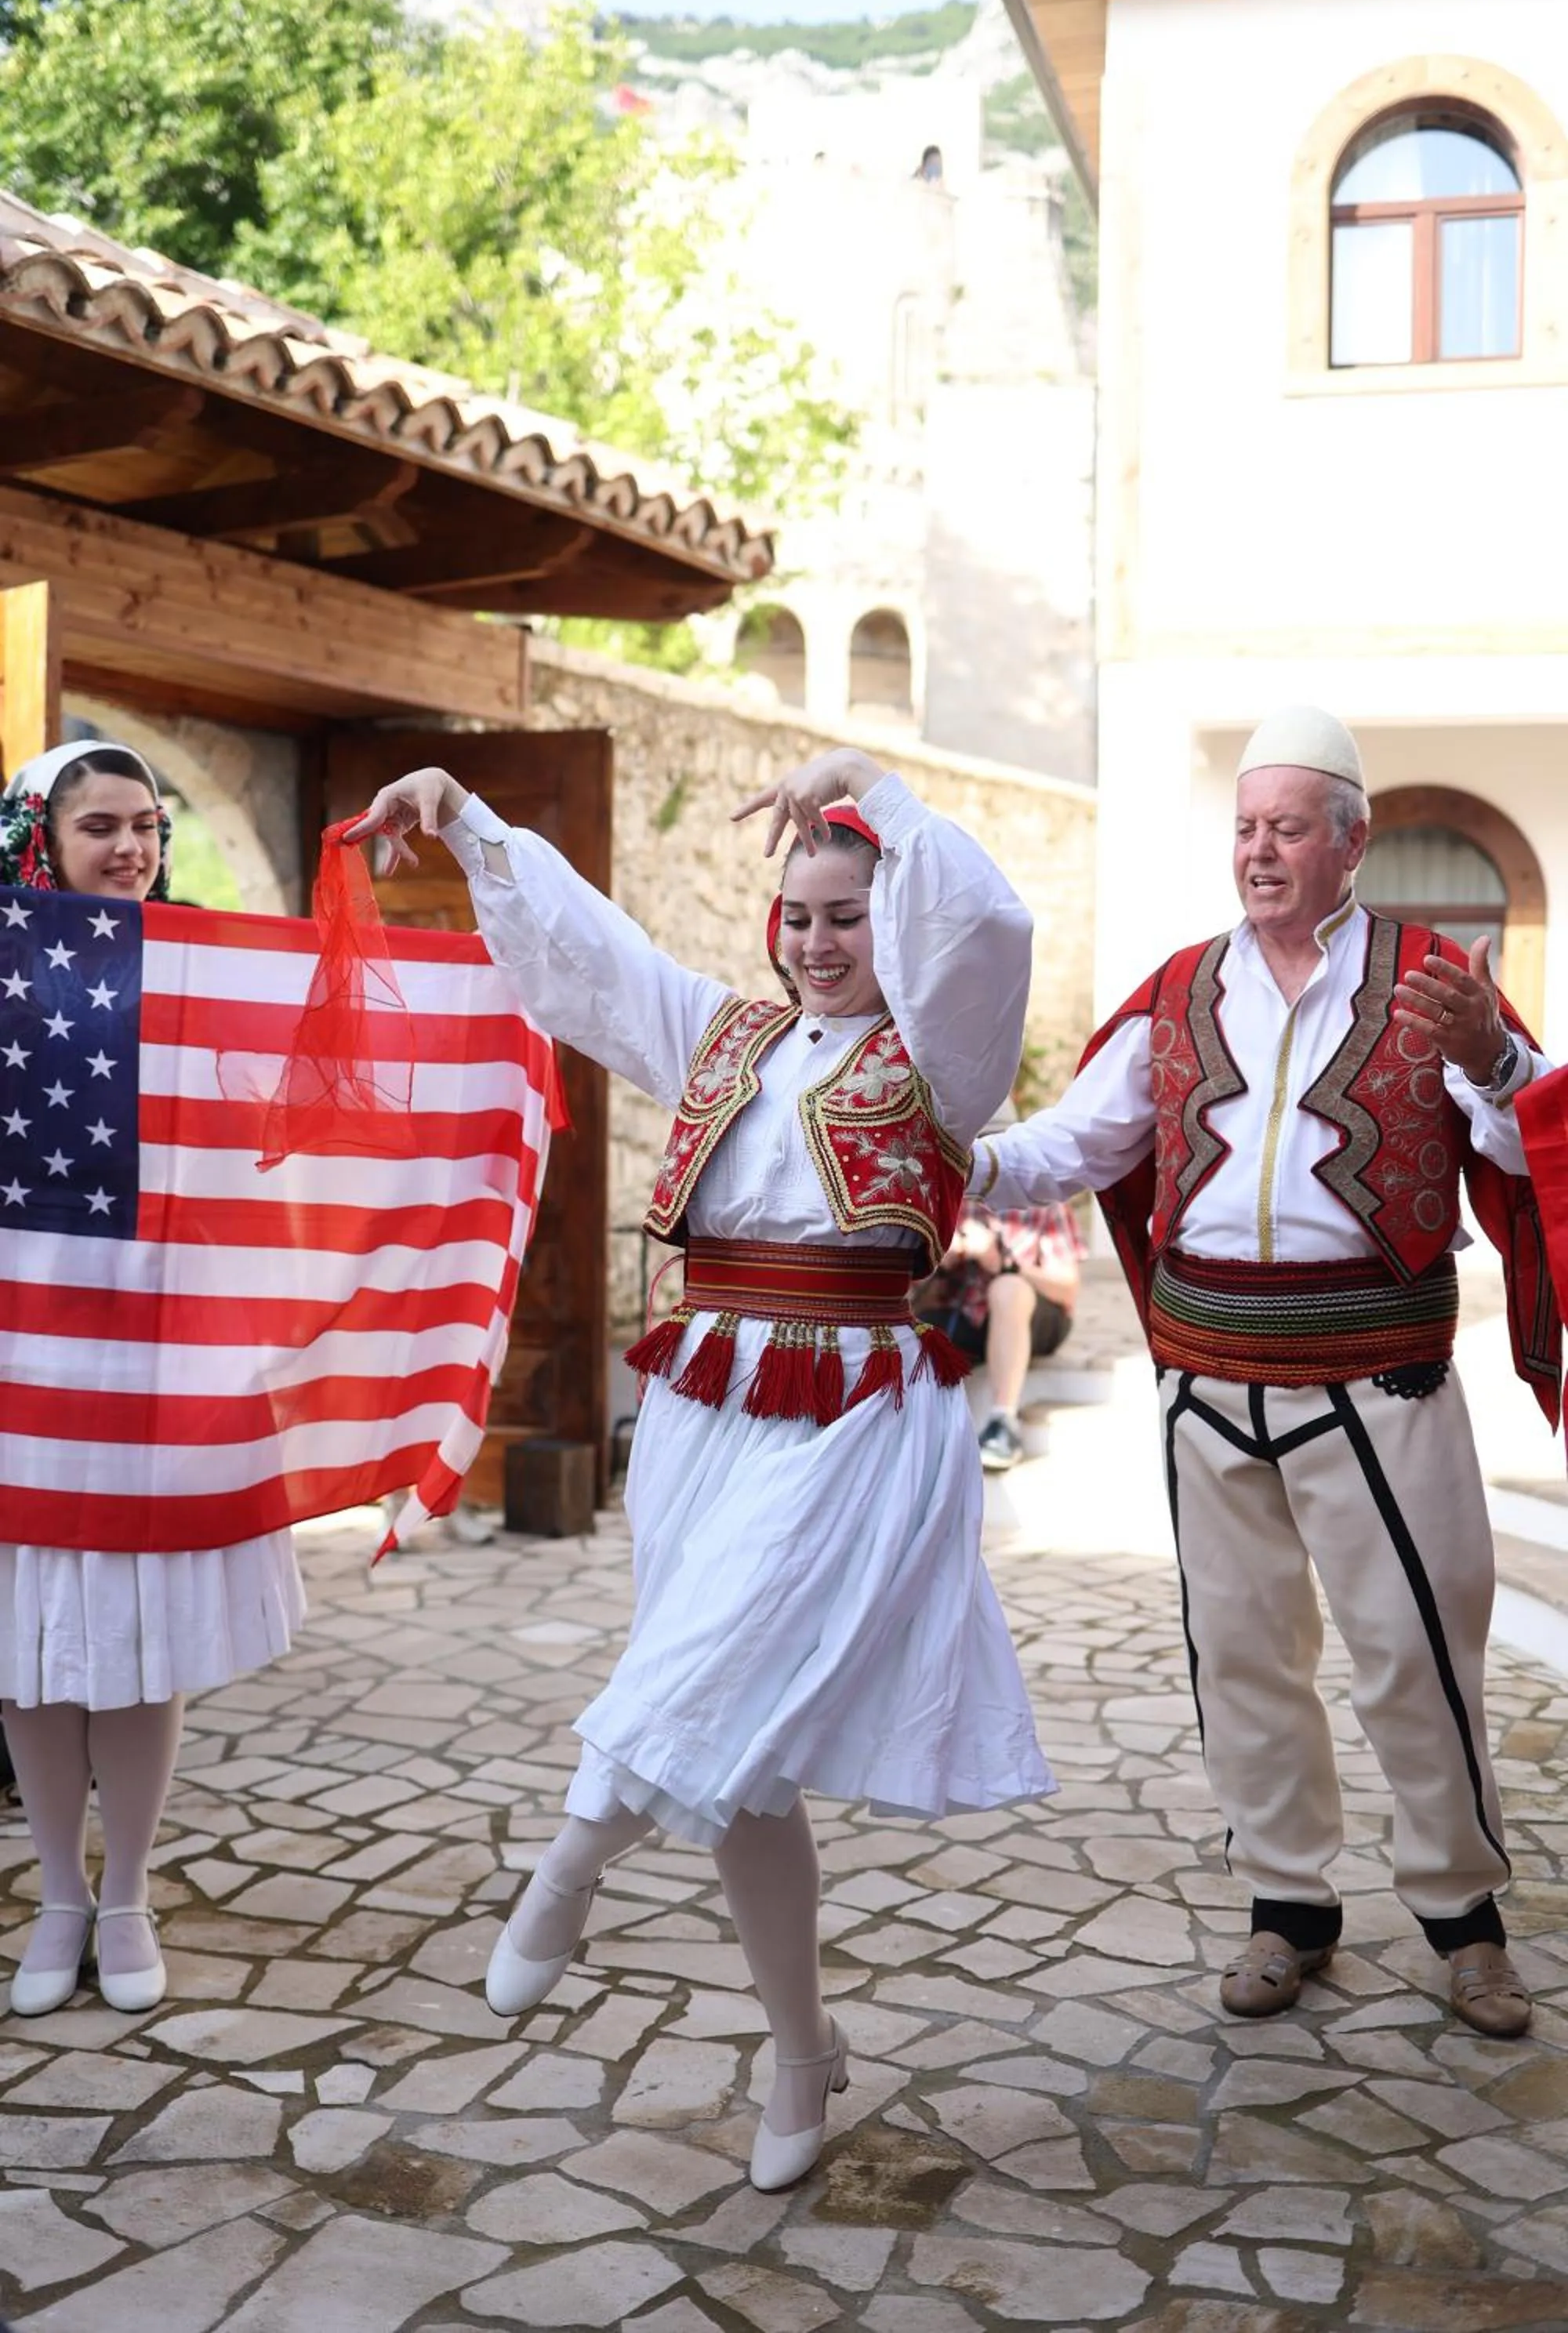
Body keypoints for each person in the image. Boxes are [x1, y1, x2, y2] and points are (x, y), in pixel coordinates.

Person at [347, 747, 1054, 2188]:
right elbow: (592, 960)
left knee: (710, 1665)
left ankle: (566, 1869)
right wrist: (470, 820)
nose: (815, 941)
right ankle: (804, 2055)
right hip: (707, 1406)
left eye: (847, 916)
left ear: (892, 923)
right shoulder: (725, 1037)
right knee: (737, 1761)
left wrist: (886, 802)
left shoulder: (943, 1053)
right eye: (798, 914)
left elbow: (986, 933)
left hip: (855, 1410)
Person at [973, 704, 1558, 2039]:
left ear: (1352, 841)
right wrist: (961, 1156)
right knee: (1240, 1652)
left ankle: (1465, 1924)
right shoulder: (1179, 991)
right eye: (1246, 827)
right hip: (1208, 1378)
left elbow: (1529, 1157)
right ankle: (1288, 1906)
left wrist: (1492, 1057)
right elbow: (1077, 1146)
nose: (1260, 850)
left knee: (1418, 1650)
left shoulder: (1433, 982)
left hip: (1385, 1377)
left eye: (1289, 827)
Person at [0, 742, 307, 2016]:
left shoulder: (207, 967)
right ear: (41, 845)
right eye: (101, 830)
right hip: (26, 1349)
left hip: (170, 1349)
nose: (131, 848)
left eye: (146, 826)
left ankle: (125, 1891)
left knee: (138, 1635)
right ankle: (56, 1895)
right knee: (30, 1642)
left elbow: (277, 1110)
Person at [916, 1184, 1081, 1471]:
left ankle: (1002, 1421)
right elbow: (912, 1288)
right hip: (966, 1315)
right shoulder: (952, 1201)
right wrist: (941, 1258)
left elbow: (1066, 1288)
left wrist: (1004, 1263)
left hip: (1031, 1317)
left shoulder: (1046, 1202)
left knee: (1008, 1288)